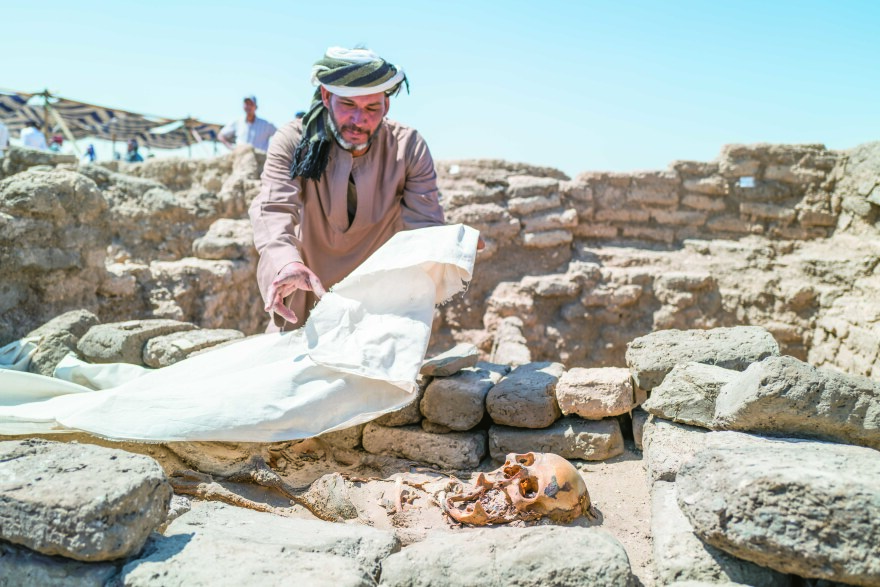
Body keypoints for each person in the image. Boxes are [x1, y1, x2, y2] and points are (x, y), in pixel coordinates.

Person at [250, 46, 473, 332]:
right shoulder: (294, 141)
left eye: (371, 108)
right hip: (306, 293)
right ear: (326, 96)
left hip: (379, 308)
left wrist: (455, 244)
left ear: (386, 106)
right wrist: (286, 264)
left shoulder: (408, 147)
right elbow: (273, 209)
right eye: (348, 105)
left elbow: (424, 226)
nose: (358, 120)